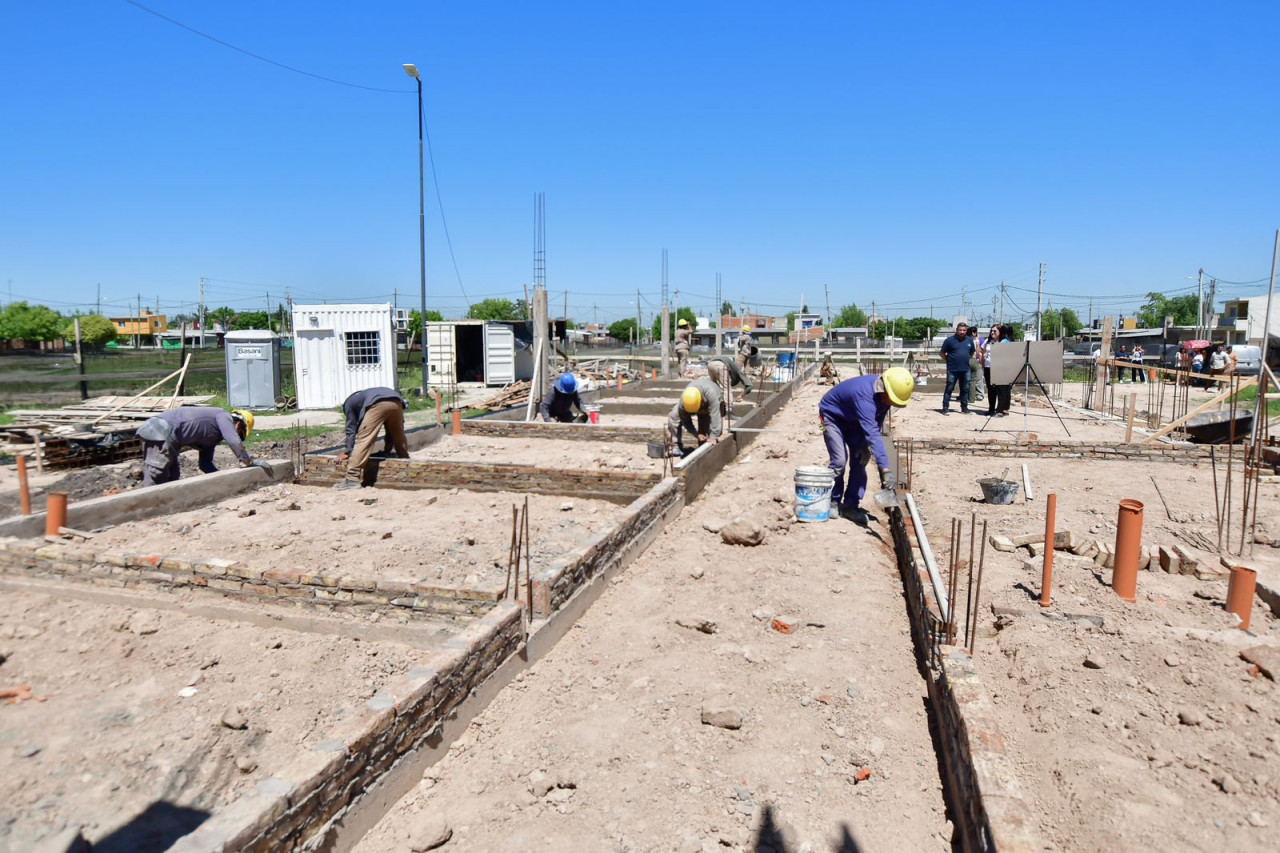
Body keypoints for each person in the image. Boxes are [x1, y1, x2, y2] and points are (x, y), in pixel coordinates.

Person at [819, 367, 915, 522]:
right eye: (892, 399)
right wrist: (885, 469)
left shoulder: (885, 397)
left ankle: (851, 505)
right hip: (830, 418)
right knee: (839, 461)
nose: (892, 402)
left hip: (854, 420)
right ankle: (832, 501)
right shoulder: (864, 396)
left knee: (860, 459)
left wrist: (864, 445)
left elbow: (876, 423)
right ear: (885, 389)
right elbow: (872, 433)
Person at [137, 407, 259, 487]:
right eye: (240, 434)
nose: (237, 435)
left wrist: (224, 481)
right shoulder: (223, 416)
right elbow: (233, 441)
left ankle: (165, 509)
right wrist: (247, 460)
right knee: (157, 475)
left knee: (173, 477)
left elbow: (205, 465)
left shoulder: (212, 435)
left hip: (168, 437)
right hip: (161, 430)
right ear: (238, 425)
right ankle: (144, 510)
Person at [334, 387, 409, 490]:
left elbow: (351, 429)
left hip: (377, 403)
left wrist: (348, 451)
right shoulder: (365, 396)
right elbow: (390, 431)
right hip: (396, 401)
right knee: (398, 434)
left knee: (364, 439)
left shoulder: (348, 404)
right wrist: (387, 451)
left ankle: (352, 479)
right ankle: (405, 460)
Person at [666, 378, 722, 456]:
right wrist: (696, 434)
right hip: (697, 402)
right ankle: (675, 446)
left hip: (709, 403)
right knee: (673, 416)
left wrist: (713, 436)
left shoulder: (711, 394)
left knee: (709, 429)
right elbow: (686, 421)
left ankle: (710, 448)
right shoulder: (684, 401)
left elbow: (715, 415)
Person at [939, 322, 976, 414]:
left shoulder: (969, 340)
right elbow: (942, 353)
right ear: (956, 330)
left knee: (965, 389)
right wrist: (949, 360)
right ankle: (945, 407)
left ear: (966, 331)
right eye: (960, 330)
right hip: (952, 369)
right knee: (949, 388)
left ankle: (964, 408)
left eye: (964, 330)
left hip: (965, 369)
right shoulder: (949, 340)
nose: (962, 332)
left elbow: (972, 353)